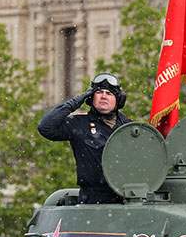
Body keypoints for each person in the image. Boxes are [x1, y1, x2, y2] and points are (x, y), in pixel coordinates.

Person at [38, 73, 133, 204]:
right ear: (90, 97)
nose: (104, 96)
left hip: (127, 201)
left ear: (119, 100)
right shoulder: (79, 124)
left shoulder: (129, 127)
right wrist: (76, 101)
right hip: (93, 201)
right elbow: (46, 128)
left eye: (109, 93)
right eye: (99, 92)